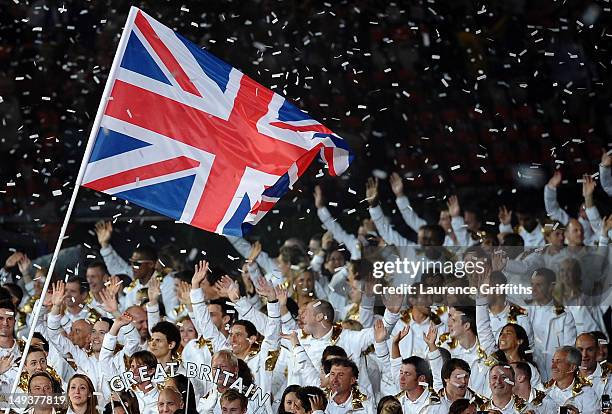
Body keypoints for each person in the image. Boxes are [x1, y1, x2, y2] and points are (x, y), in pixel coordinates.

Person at [527, 268, 576, 381]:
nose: (533, 289)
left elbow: (568, 351)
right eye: (532, 284)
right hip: (530, 378)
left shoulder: (564, 315)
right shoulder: (524, 311)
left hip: (555, 378)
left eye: (539, 285)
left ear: (551, 287)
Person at [544, 346, 600, 413]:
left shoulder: (587, 394)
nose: (553, 366)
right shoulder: (544, 391)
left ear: (572, 367)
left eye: (558, 362)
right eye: (553, 361)